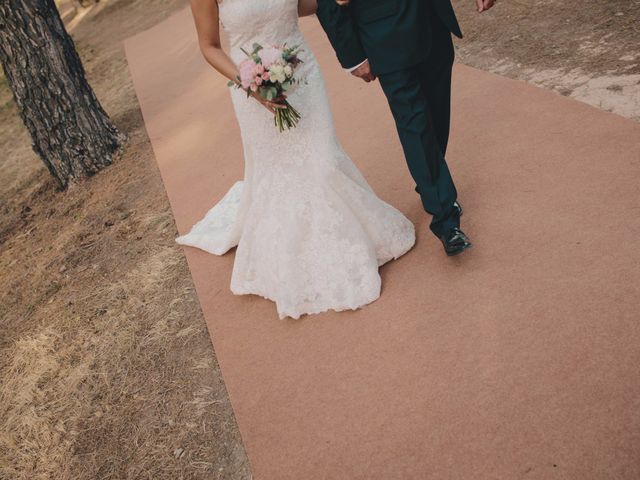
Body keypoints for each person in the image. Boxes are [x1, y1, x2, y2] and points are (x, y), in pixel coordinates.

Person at [177, 0, 415, 320]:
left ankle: (349, 242)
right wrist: (252, 84)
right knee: (282, 173)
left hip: (302, 72)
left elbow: (305, 5)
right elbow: (209, 46)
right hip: (251, 86)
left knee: (324, 161)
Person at [317, 0, 496, 255]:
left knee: (437, 115)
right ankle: (446, 220)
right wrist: (352, 55)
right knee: (415, 123)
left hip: (433, 22)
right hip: (383, 36)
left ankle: (429, 184)